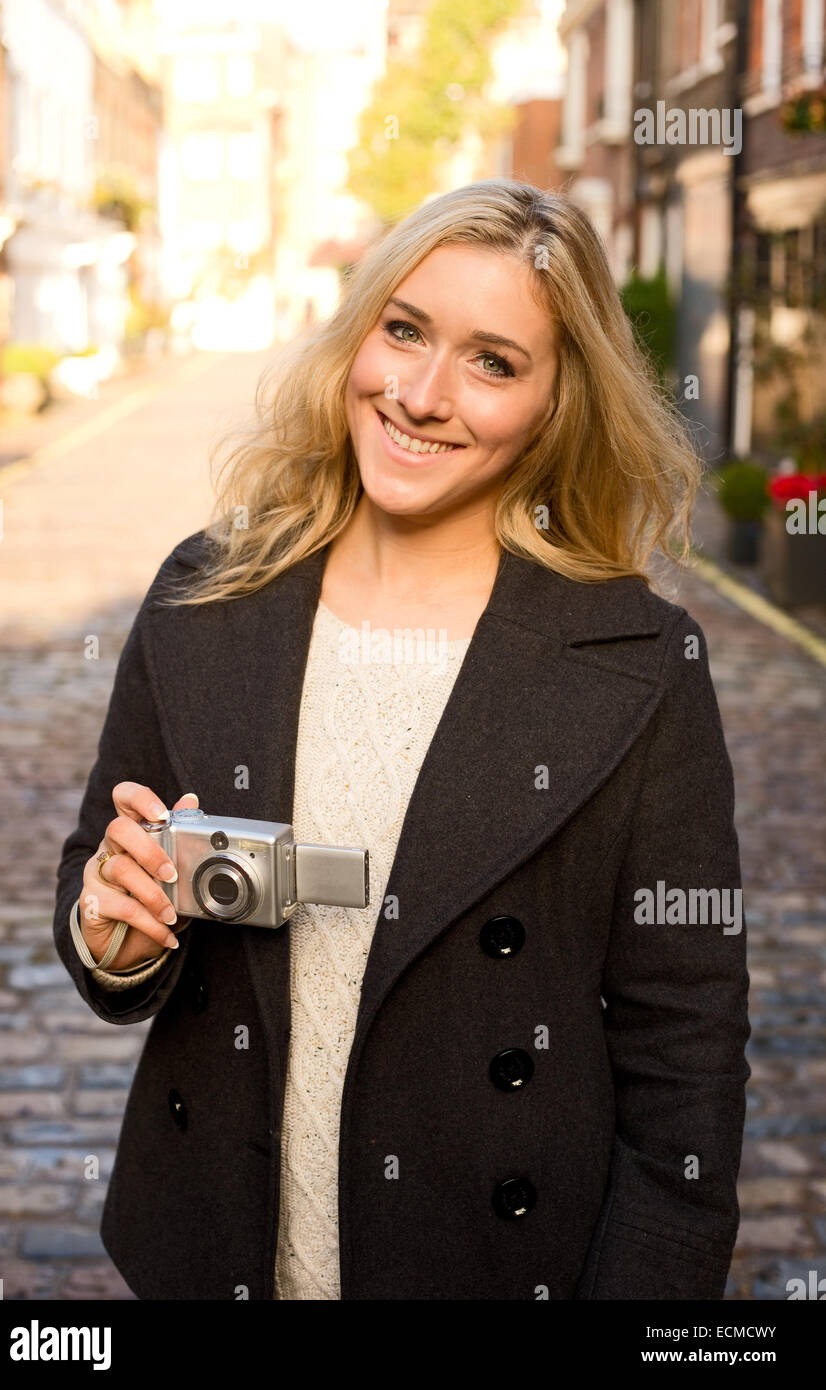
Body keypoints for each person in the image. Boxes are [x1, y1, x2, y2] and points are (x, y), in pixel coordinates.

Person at [53, 179, 750, 1301]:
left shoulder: (634, 661)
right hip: (214, 1254)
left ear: (556, 403)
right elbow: (100, 898)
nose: (420, 395)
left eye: (492, 362)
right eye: (405, 329)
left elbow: (686, 1063)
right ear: (356, 333)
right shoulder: (206, 594)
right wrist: (115, 930)